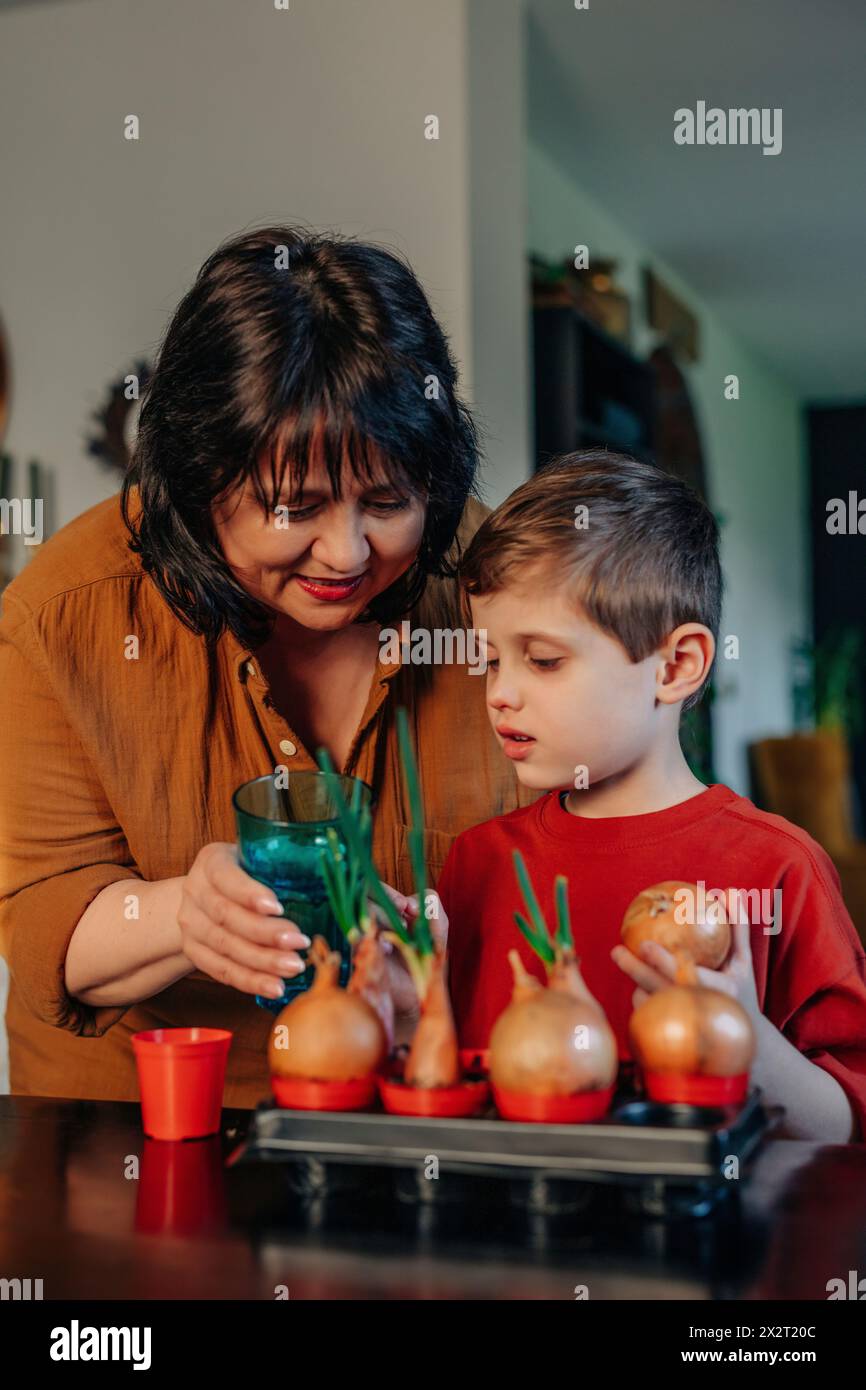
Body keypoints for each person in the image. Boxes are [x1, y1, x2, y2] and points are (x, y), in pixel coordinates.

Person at [0, 225, 535, 1106]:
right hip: (139, 1144)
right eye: (296, 508)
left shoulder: (508, 589)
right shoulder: (65, 615)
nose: (346, 552)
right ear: (199, 477)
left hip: (434, 1117)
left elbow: (607, 822)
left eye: (389, 501)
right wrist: (181, 914)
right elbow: (44, 921)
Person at [435, 452, 866, 1142]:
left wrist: (747, 1041)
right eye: (489, 659)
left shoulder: (778, 868)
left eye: (543, 660)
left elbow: (850, 1126)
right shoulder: (480, 862)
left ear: (675, 666)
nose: (499, 693)